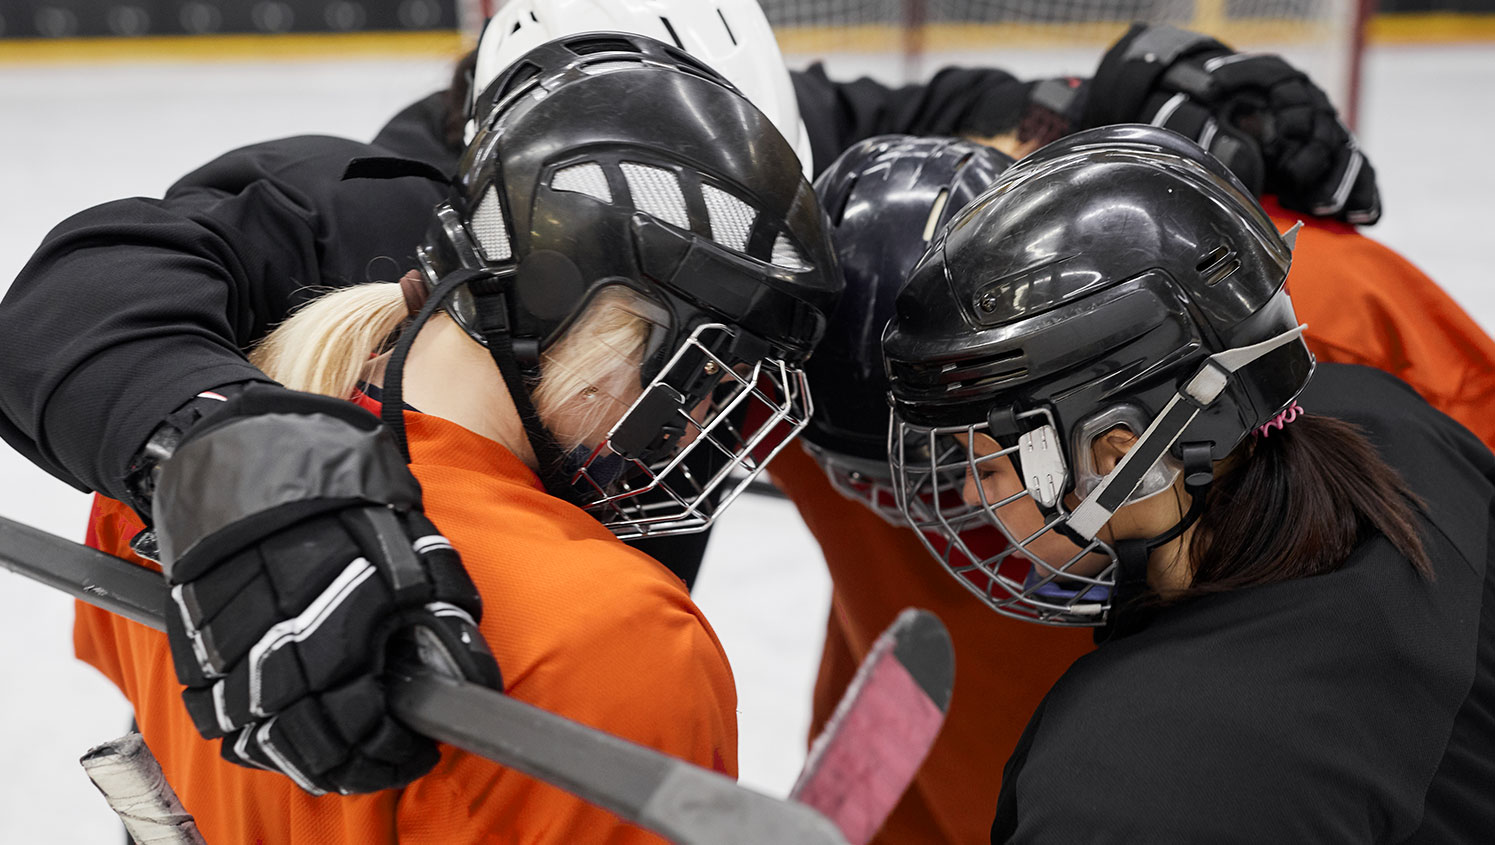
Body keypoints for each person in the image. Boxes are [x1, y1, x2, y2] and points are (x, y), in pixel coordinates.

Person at [0, 7, 1377, 588]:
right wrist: (243, 470)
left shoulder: (742, 163)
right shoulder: (386, 200)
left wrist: (1127, 98)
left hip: (611, 649)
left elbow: (924, 118)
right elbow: (75, 296)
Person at [73, 33, 841, 843]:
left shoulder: (178, 488)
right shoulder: (618, 638)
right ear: (607, 320)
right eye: (708, 378)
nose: (697, 426)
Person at [879, 124, 1494, 841]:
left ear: (1114, 456)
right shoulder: (1397, 429)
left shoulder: (1126, 778)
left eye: (985, 465)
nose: (966, 499)